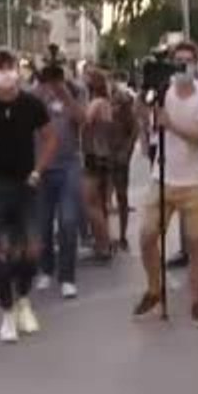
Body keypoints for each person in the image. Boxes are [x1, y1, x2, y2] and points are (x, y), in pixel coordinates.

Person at [0, 49, 56, 343]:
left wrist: (39, 170)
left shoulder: (31, 104)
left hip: (27, 184)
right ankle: (7, 313)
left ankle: (23, 298)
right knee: (3, 250)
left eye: (10, 67)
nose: (6, 73)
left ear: (18, 70)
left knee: (32, 248)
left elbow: (50, 138)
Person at [133, 59, 198, 327]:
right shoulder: (163, 93)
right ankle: (154, 289)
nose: (181, 69)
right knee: (147, 235)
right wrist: (142, 96)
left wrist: (169, 124)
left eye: (186, 63)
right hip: (163, 177)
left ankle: (196, 302)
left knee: (197, 245)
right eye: (177, 63)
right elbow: (142, 115)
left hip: (195, 181)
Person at [32, 64, 86, 299]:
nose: (53, 84)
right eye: (49, 79)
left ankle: (67, 277)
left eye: (56, 79)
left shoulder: (74, 94)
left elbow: (82, 119)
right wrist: (40, 92)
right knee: (42, 223)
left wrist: (65, 95)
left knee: (68, 221)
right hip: (41, 166)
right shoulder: (35, 98)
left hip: (68, 166)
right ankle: (46, 268)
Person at [81, 68, 116, 262]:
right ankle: (102, 241)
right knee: (99, 202)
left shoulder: (96, 103)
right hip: (103, 155)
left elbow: (85, 120)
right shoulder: (106, 102)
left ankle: (104, 243)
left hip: (94, 155)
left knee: (90, 202)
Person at [108, 73, 139, 252]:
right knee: (103, 197)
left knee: (121, 196)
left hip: (118, 155)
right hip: (102, 155)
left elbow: (133, 130)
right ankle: (107, 236)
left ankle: (122, 236)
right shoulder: (97, 100)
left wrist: (126, 152)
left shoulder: (123, 101)